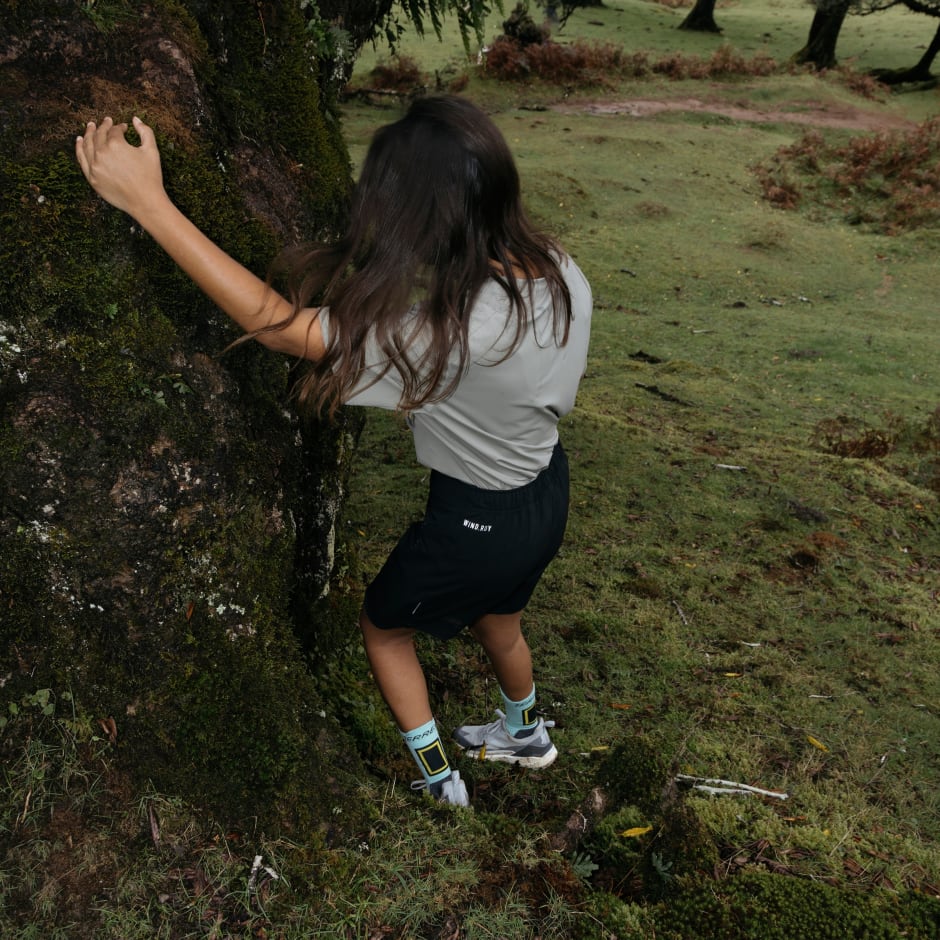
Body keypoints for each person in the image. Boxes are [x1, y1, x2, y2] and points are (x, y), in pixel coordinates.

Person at [75, 95, 592, 807]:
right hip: (545, 491)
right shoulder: (557, 268)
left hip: (474, 521)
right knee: (499, 620)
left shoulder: (444, 338)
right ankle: (525, 732)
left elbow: (280, 327)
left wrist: (150, 204)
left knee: (384, 630)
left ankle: (442, 783)